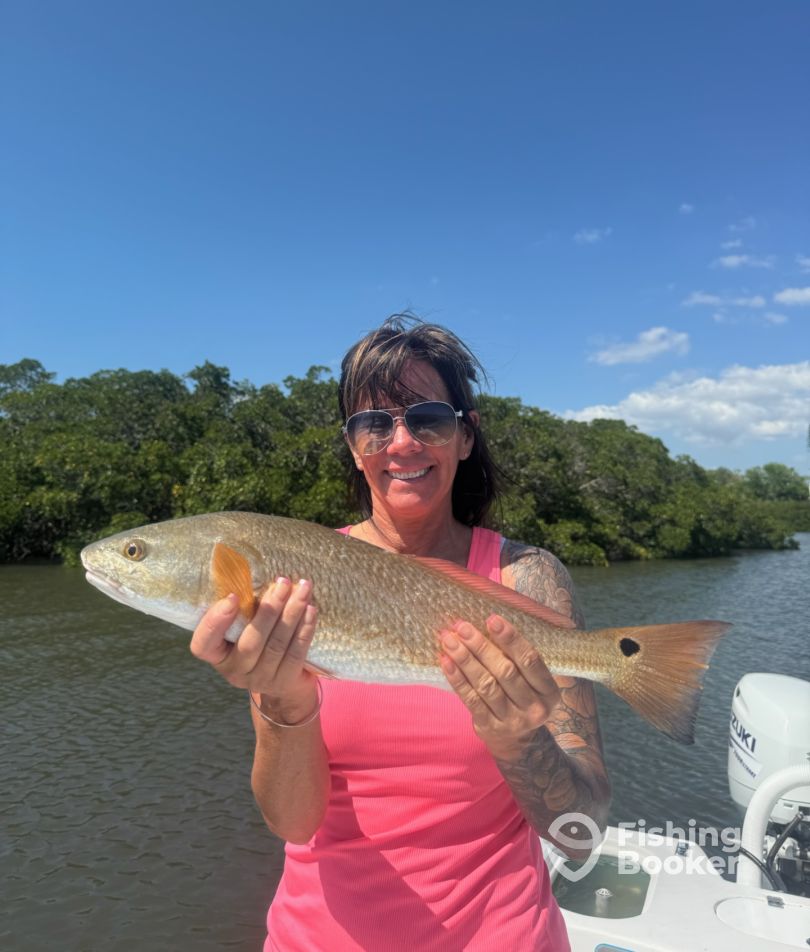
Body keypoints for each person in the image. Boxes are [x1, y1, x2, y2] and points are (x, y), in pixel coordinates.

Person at [191, 315, 610, 951]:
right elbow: (293, 823)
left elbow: (581, 833)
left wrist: (518, 739)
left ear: (465, 437)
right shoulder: (296, 580)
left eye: (429, 419)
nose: (403, 442)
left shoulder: (529, 579)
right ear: (353, 446)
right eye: (374, 424)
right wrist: (284, 701)